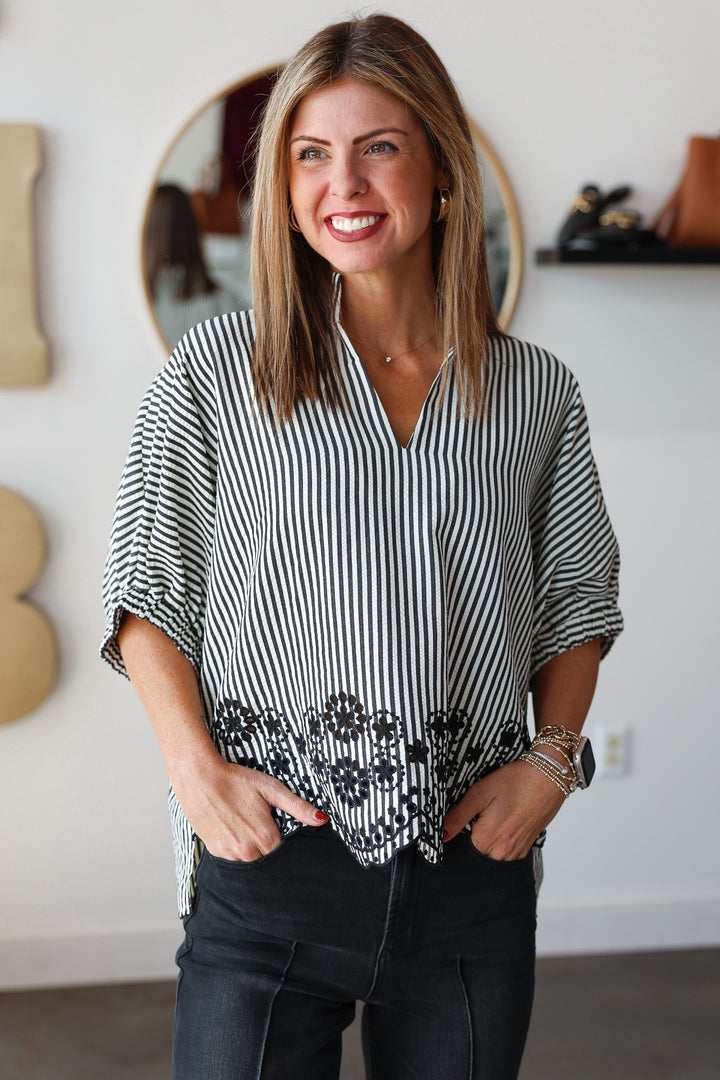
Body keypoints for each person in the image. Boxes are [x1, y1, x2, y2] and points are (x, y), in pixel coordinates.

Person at [102, 13, 622, 1080]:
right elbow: (147, 590)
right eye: (310, 153)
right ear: (284, 184)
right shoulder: (214, 373)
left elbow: (575, 599)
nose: (344, 183)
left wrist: (550, 768)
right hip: (268, 872)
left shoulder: (538, 393)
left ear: (441, 170)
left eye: (379, 146)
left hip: (471, 878)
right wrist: (195, 773)